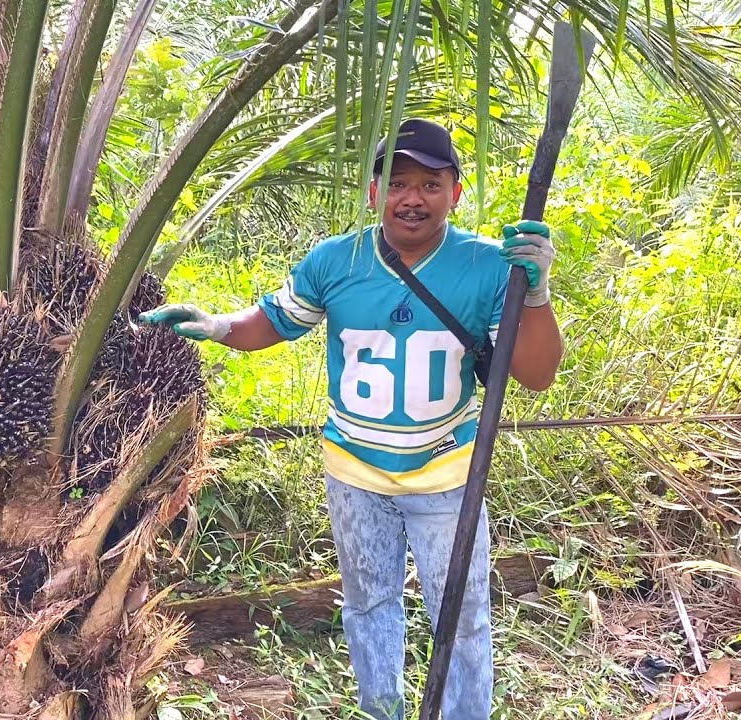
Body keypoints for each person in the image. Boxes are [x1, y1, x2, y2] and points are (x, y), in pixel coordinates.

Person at [138, 118, 563, 719]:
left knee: (462, 616)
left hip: (447, 473)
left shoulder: (489, 265)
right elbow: (274, 322)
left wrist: (537, 293)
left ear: (455, 193)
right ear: (373, 192)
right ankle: (381, 710)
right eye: (397, 183)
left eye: (430, 184)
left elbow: (537, 373)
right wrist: (215, 325)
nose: (411, 198)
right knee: (368, 605)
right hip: (355, 472)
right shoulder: (336, 261)